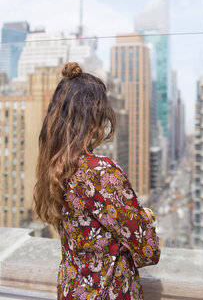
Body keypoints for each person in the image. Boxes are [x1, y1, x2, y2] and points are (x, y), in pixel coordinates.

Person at [33, 62, 161, 300]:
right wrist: (145, 216)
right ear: (93, 117)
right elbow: (148, 250)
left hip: (71, 291)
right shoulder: (100, 172)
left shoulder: (54, 168)